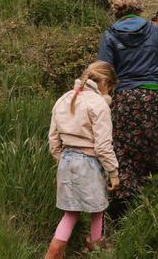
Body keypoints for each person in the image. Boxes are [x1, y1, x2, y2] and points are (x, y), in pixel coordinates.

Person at [98, 0, 158, 217]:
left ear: (118, 13)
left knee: (123, 149)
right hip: (154, 96)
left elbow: (103, 71)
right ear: (139, 11)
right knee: (154, 145)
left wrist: (101, 99)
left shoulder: (109, 35)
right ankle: (155, 197)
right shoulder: (153, 30)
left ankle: (122, 206)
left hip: (125, 98)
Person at [45, 61, 120, 258]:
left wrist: (63, 160)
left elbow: (53, 140)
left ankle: (53, 254)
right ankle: (96, 251)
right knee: (98, 209)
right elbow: (103, 147)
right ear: (105, 83)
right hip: (88, 162)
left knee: (70, 213)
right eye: (111, 87)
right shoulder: (99, 105)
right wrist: (113, 172)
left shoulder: (62, 100)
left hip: (66, 161)